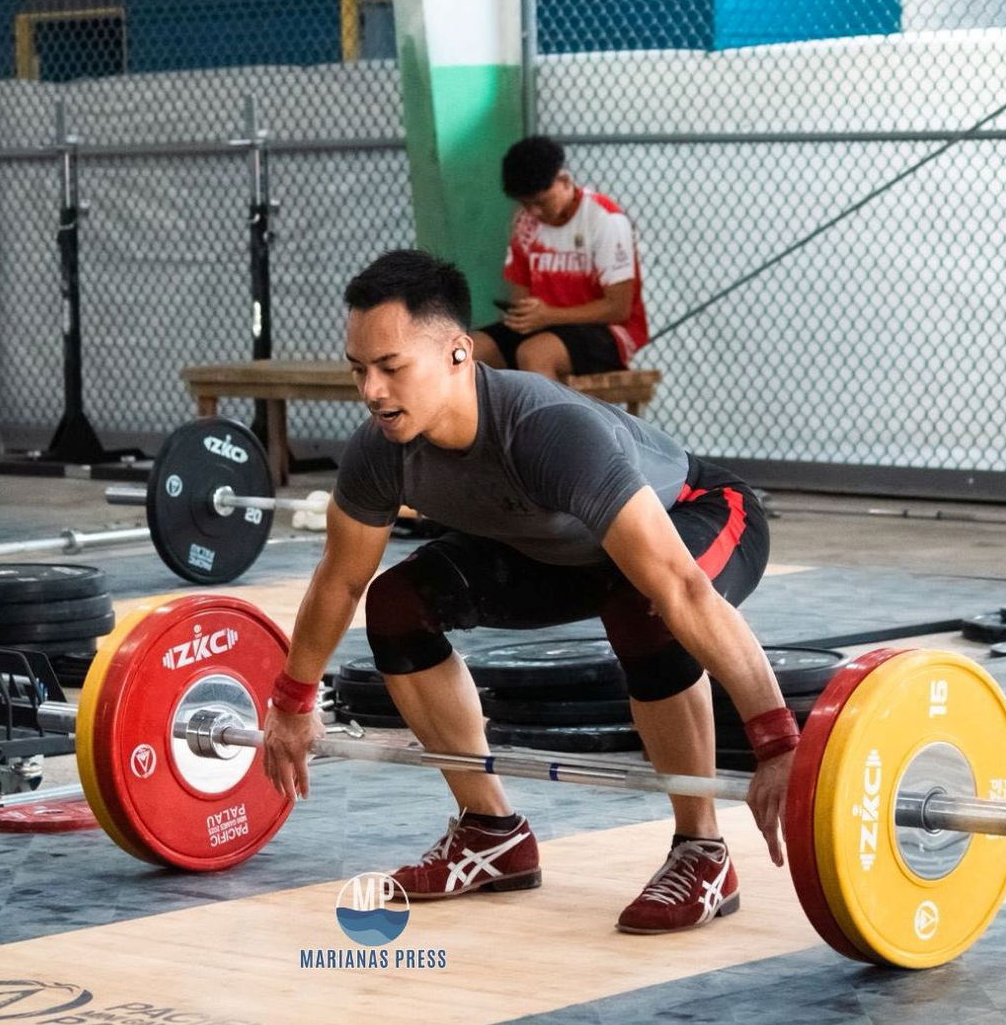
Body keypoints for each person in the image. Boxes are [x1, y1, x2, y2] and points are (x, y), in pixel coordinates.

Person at [263, 249, 792, 935]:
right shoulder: (380, 450)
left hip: (698, 513)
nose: (371, 390)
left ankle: (702, 849)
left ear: (457, 353)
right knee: (397, 603)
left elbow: (681, 585)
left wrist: (777, 741)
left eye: (391, 367)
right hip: (558, 551)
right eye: (358, 370)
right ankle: (491, 832)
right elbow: (340, 577)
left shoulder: (543, 430)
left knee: (645, 603)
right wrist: (292, 701)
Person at [471, 136, 650, 383]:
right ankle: (491, 422)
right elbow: (520, 297)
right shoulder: (526, 223)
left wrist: (549, 315)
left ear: (564, 181)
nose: (533, 211)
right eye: (525, 203)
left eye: (540, 202)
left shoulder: (604, 219)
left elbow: (618, 308)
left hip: (608, 333)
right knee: (468, 351)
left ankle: (551, 422)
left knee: (534, 354)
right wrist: (525, 315)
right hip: (545, 326)